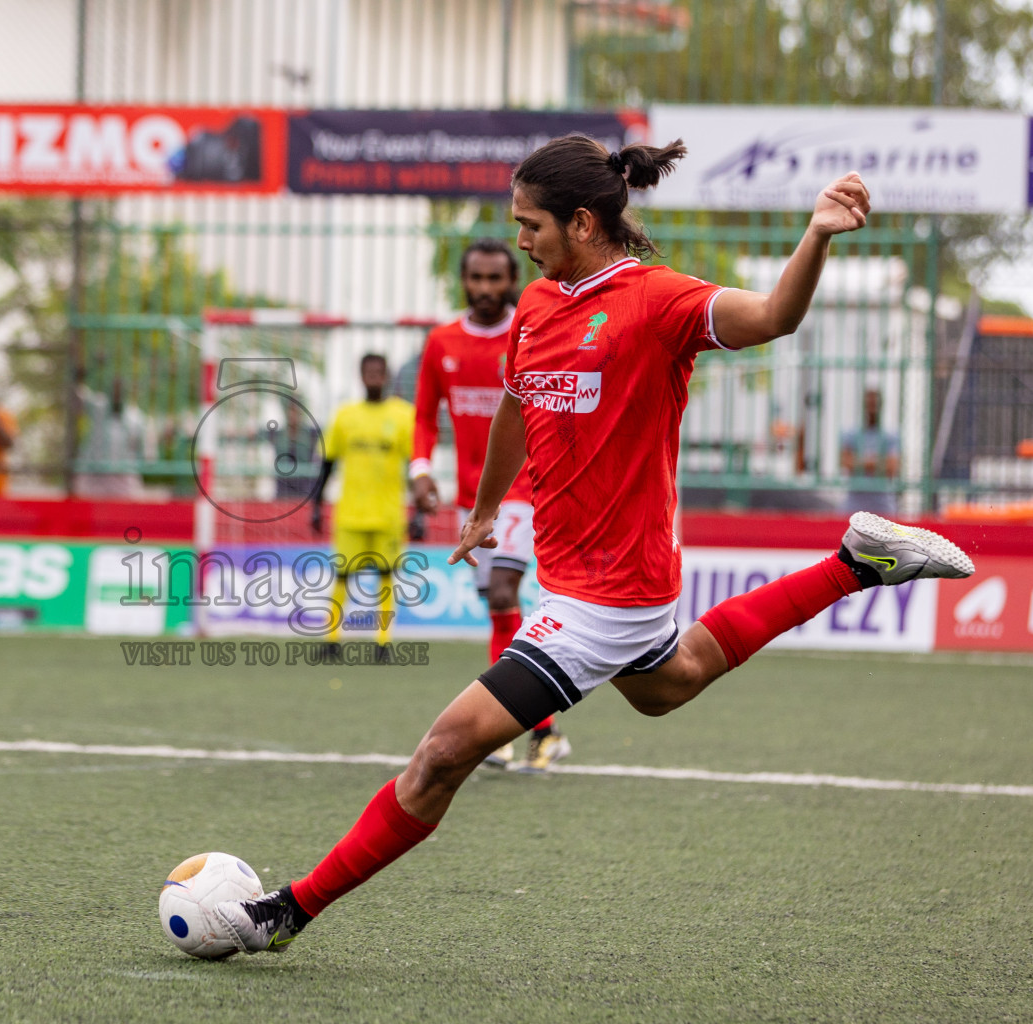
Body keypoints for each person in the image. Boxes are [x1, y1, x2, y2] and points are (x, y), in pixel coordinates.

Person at [214, 138, 975, 954]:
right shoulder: (539, 305)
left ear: (582, 222)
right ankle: (856, 562)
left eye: (529, 224)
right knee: (668, 684)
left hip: (608, 595)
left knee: (441, 754)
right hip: (574, 575)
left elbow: (775, 318)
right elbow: (516, 405)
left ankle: (289, 909)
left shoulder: (658, 302)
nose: (517, 242)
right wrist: (484, 510)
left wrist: (817, 234)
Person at [411, 237, 569, 774]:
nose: (484, 289)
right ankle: (539, 733)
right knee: (499, 609)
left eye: (495, 279)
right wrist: (421, 469)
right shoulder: (442, 342)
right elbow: (424, 417)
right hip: (472, 500)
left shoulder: (531, 335)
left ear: (511, 280)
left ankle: (502, 728)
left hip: (528, 489)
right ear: (463, 281)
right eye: (475, 279)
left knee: (504, 590)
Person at [309, 353, 415, 654]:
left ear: (387, 376)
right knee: (343, 573)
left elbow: (414, 466)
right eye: (368, 371)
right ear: (360, 375)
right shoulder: (345, 416)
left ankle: (383, 642)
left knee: (385, 575)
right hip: (351, 512)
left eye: (378, 371)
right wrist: (316, 505)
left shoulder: (404, 415)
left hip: (389, 513)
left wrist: (418, 511)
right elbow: (327, 464)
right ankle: (332, 640)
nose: (373, 376)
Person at [75, 378, 147, 498]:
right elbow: (79, 395)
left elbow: (142, 451)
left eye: (119, 392)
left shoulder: (135, 417)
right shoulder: (98, 407)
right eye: (114, 392)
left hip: (123, 478)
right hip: (94, 476)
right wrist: (80, 373)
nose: (116, 395)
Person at [840, 388, 900, 514]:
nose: (871, 409)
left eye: (874, 405)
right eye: (869, 404)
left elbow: (892, 467)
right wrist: (878, 461)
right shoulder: (851, 433)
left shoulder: (891, 435)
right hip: (854, 504)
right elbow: (846, 463)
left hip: (883, 504)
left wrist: (860, 461)